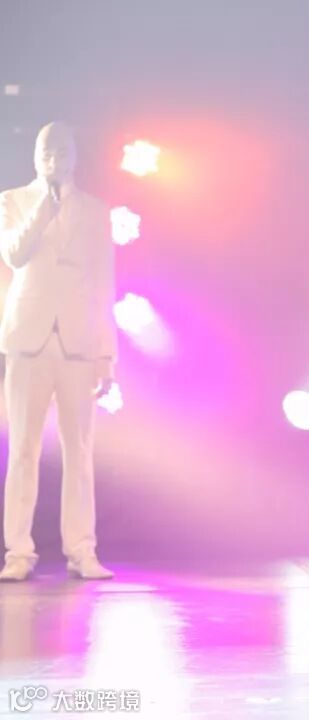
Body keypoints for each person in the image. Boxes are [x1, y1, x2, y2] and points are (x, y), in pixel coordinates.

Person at [0, 122, 118, 582]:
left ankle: (82, 550)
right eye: (47, 150)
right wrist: (45, 206)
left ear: (76, 155)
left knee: (80, 452)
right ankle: (18, 552)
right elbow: (14, 254)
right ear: (35, 155)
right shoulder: (11, 201)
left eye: (64, 150)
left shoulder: (95, 211)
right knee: (23, 451)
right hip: (28, 340)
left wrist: (106, 355)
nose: (55, 157)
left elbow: (104, 282)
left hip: (79, 343)